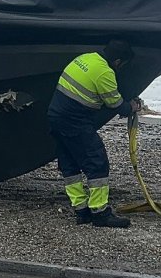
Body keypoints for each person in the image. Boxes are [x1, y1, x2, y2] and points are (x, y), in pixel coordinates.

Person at [47, 39, 142, 228]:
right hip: (75, 121)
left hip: (55, 116)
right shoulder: (105, 73)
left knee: (70, 165)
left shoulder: (86, 58)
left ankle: (81, 211)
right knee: (97, 162)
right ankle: (100, 213)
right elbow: (117, 106)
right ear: (118, 62)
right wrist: (133, 106)